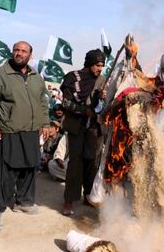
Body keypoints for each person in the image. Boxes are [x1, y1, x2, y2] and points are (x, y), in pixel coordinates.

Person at [0, 41, 50, 231]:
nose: (19, 53)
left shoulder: (36, 77)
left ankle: (24, 201)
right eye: (16, 50)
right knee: (3, 172)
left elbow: (42, 102)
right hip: (9, 130)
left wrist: (45, 123)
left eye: (23, 51)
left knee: (30, 166)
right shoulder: (1, 74)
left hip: (31, 130)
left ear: (30, 55)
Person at [60, 49, 106, 215]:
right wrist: (82, 110)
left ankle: (88, 195)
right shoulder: (74, 77)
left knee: (92, 162)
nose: (99, 68)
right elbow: (65, 102)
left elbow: (107, 105)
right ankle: (69, 200)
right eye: (97, 65)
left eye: (102, 65)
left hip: (95, 129)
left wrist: (104, 98)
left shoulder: (103, 81)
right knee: (75, 163)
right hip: (77, 126)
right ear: (89, 64)